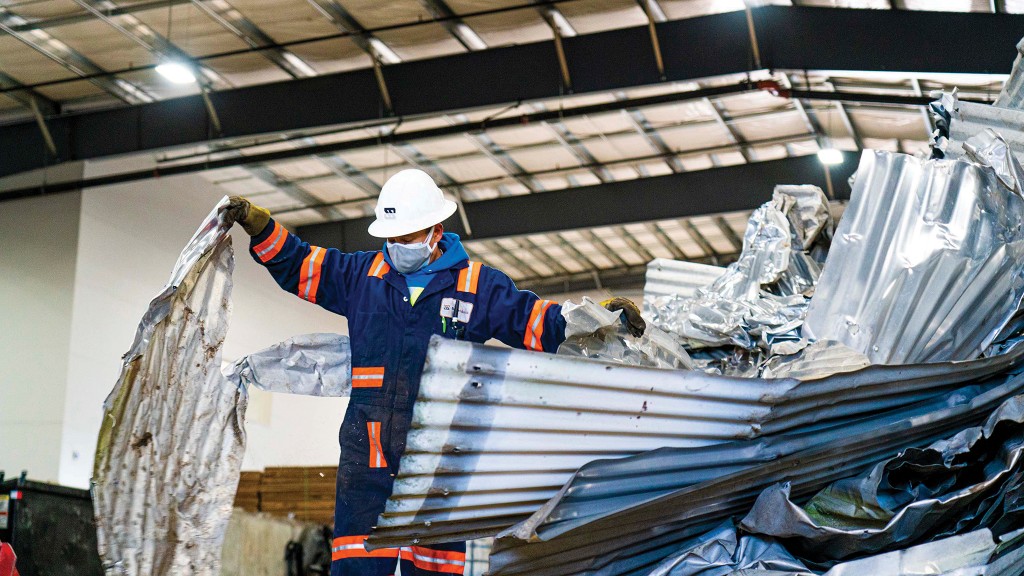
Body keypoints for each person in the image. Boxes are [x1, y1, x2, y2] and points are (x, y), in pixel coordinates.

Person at [225, 168, 645, 576]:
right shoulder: (361, 276)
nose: (397, 246)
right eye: (391, 238)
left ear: (435, 232)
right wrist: (261, 227)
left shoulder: (478, 285)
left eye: (407, 237)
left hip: (439, 459)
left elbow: (537, 322)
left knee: (435, 569)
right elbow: (301, 266)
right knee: (355, 563)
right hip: (366, 454)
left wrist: (596, 320)